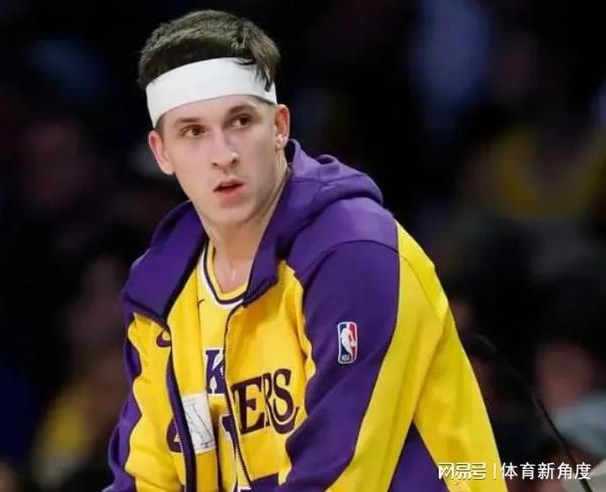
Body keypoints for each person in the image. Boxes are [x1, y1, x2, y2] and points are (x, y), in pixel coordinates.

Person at [106, 9, 506, 492]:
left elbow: (338, 475)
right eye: (193, 132)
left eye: (240, 121)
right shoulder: (162, 294)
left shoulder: (355, 253)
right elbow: (145, 477)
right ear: (161, 152)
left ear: (279, 126)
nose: (223, 154)